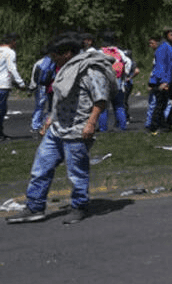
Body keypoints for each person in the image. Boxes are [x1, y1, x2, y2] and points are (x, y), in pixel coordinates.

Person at [7, 33, 114, 224]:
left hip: (77, 129)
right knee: (41, 166)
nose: (52, 57)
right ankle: (34, 207)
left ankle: (79, 206)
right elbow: (60, 96)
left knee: (76, 172)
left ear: (67, 53)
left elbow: (100, 99)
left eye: (55, 54)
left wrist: (91, 123)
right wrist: (50, 119)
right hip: (57, 127)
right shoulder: (65, 69)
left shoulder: (90, 70)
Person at [146, 29, 172, 133]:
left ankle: (168, 123)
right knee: (161, 104)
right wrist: (163, 81)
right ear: (166, 36)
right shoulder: (163, 47)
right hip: (163, 80)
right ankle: (155, 126)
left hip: (171, 80)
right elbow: (161, 66)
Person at [0, 32, 27, 140]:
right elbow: (12, 68)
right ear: (12, 41)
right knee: (1, 110)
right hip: (3, 84)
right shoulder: (10, 52)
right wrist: (21, 83)